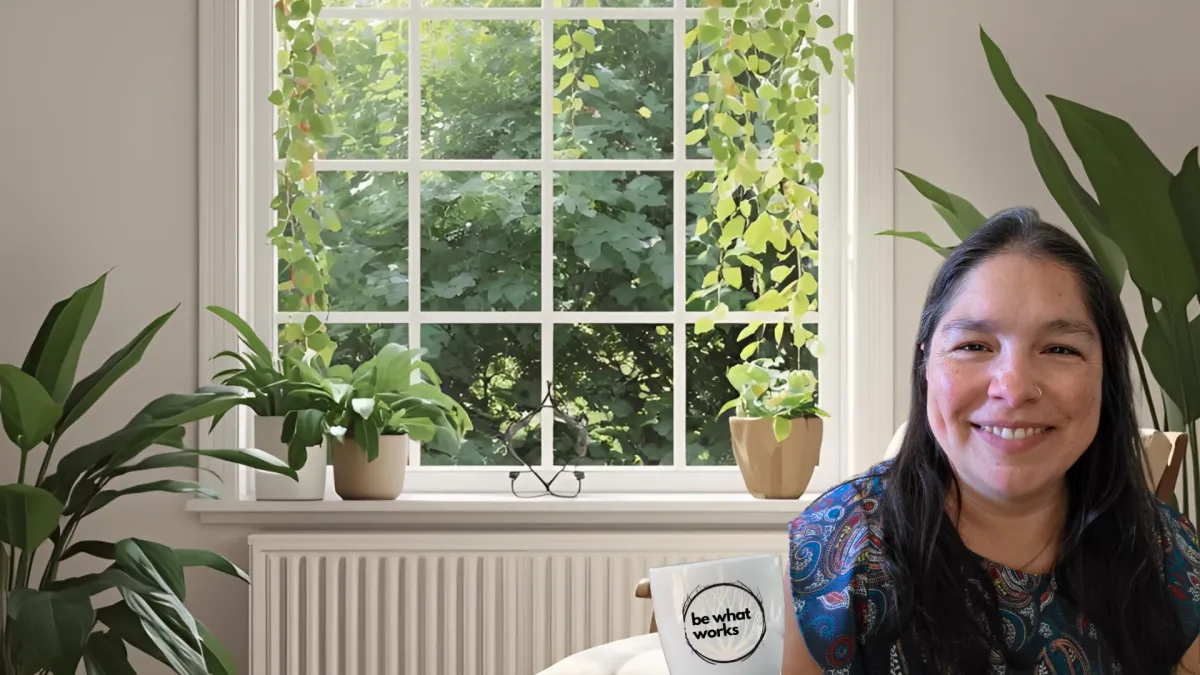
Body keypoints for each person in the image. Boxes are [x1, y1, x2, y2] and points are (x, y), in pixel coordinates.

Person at [781, 207, 1200, 674]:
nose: (1014, 388)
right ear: (926, 364)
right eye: (974, 346)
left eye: (1059, 349)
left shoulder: (1166, 552)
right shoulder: (836, 548)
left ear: (1106, 376)